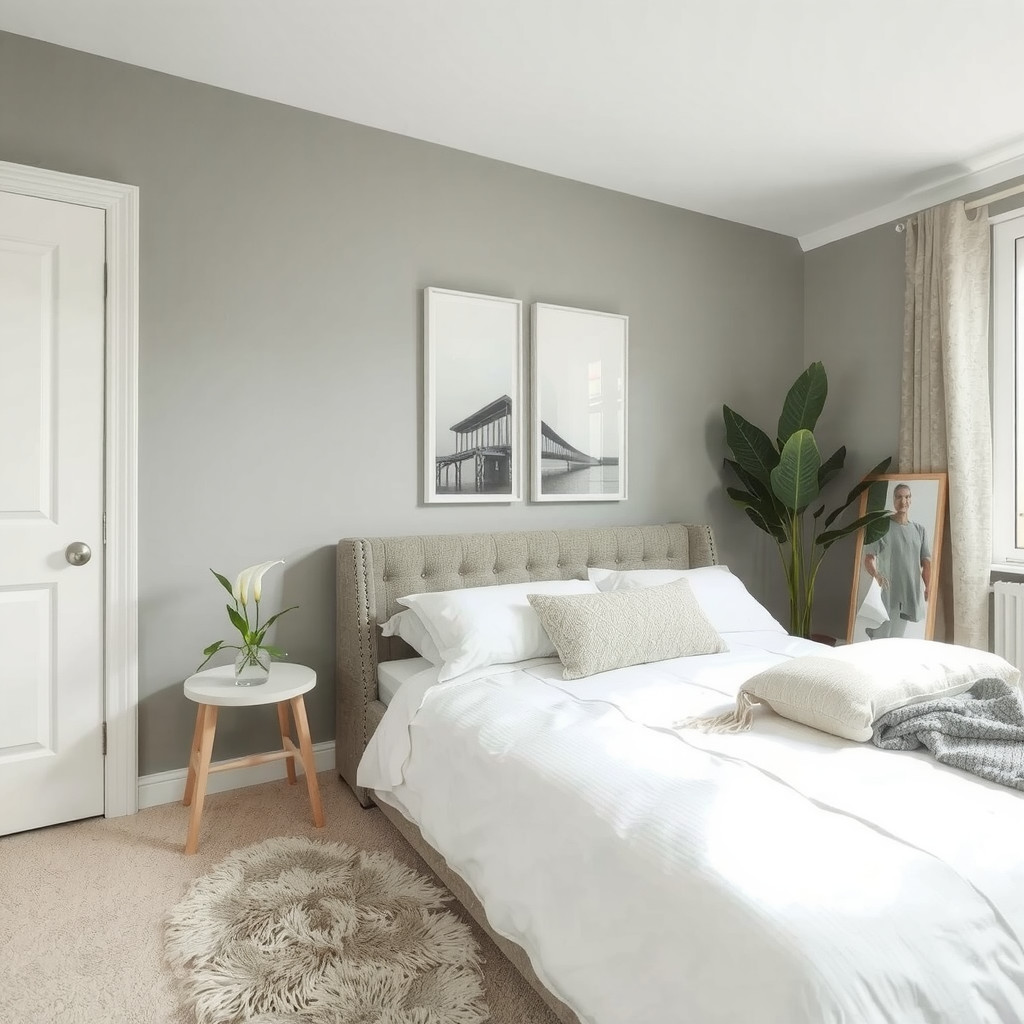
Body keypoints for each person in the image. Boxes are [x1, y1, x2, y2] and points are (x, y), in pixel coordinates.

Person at [862, 483, 931, 639]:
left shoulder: (919, 530)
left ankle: (878, 639)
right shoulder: (881, 527)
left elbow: (926, 562)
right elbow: (869, 558)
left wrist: (928, 586)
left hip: (909, 589)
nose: (903, 501)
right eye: (899, 497)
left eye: (907, 497)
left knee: (898, 635)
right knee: (884, 632)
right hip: (888, 589)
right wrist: (877, 575)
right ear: (893, 500)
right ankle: (874, 635)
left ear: (911, 500)